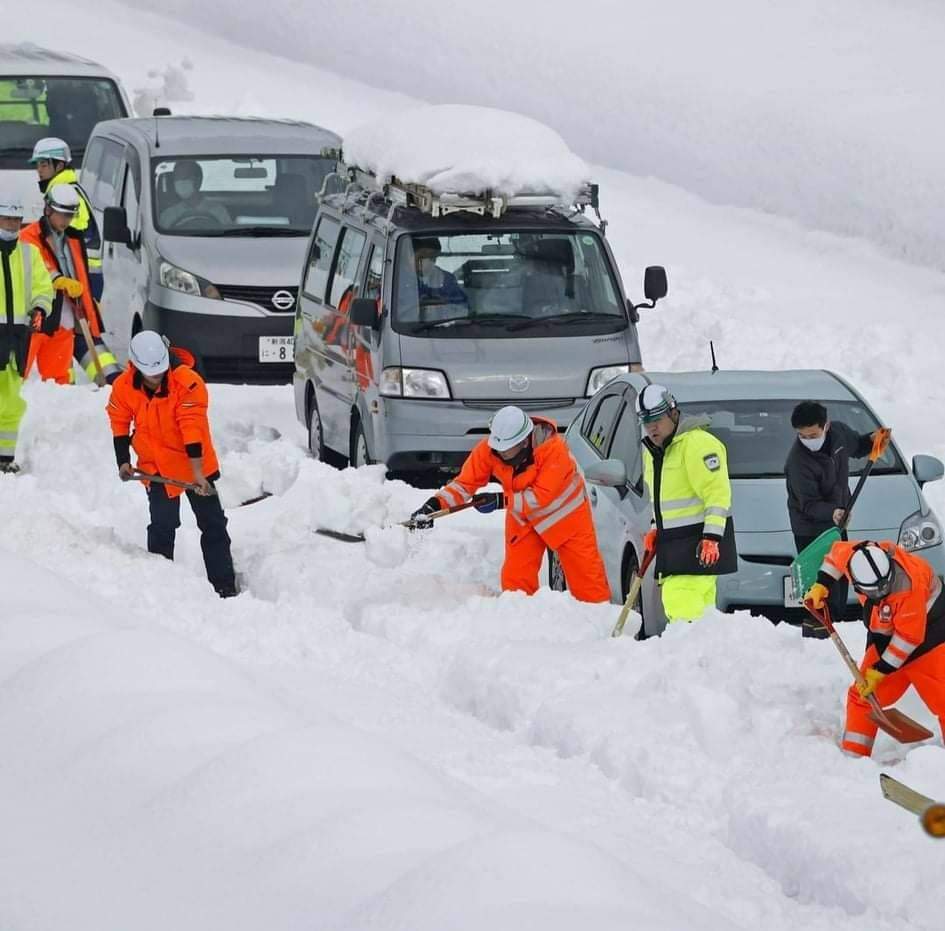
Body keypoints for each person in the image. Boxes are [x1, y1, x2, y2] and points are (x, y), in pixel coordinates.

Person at [411, 405, 610, 603]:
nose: (499, 454)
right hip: (523, 518)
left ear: (524, 442)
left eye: (506, 451)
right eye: (497, 449)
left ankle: (601, 625)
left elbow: (541, 498)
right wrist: (434, 505)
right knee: (516, 585)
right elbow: (464, 484)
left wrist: (500, 501)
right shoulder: (491, 450)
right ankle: (521, 623)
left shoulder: (555, 451)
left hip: (567, 519)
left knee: (588, 584)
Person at [107, 330, 237, 598]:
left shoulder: (188, 383)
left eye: (160, 372)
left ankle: (224, 585)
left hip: (195, 465)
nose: (156, 378)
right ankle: (161, 585)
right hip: (157, 468)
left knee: (213, 525)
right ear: (135, 367)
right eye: (150, 374)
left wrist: (198, 474)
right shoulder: (124, 386)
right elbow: (119, 420)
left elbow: (192, 428)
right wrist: (123, 461)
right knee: (162, 526)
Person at [806, 540, 945, 757]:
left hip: (932, 637)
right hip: (886, 635)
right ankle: (855, 757)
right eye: (875, 592)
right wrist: (822, 584)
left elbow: (908, 638)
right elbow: (835, 555)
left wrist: (879, 671)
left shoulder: (908, 585)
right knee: (862, 695)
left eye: (885, 586)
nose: (883, 592)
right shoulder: (855, 557)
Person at [785, 401, 891, 637]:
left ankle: (835, 625)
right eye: (802, 436)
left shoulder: (840, 434)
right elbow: (808, 505)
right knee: (819, 581)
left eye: (812, 434)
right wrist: (833, 512)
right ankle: (817, 631)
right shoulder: (798, 462)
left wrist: (873, 439)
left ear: (827, 426)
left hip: (837, 521)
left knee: (839, 578)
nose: (807, 440)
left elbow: (859, 447)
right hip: (810, 527)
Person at [639, 384, 737, 622]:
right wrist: (655, 527)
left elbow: (717, 493)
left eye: (657, 419)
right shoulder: (654, 452)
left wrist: (712, 538)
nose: (652, 427)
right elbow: (663, 499)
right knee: (700, 619)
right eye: (646, 421)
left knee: (680, 609)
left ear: (673, 413)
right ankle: (703, 657)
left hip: (697, 547)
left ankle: (690, 657)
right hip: (674, 546)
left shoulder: (697, 444)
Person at [19, 184, 121, 385]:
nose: (66, 220)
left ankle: (61, 404)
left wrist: (88, 301)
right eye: (62, 214)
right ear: (48, 210)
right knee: (18, 372)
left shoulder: (74, 238)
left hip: (65, 314)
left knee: (60, 377)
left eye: (70, 215)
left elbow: (81, 273)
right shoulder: (30, 235)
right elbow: (35, 264)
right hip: (35, 314)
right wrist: (58, 279)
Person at [0, 195, 54, 472]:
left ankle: (4, 458)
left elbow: (44, 288)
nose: (12, 225)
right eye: (7, 218)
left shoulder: (28, 253)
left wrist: (39, 309)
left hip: (16, 339)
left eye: (16, 220)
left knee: (10, 400)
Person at [29, 137, 102, 299]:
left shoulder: (66, 195)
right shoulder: (66, 190)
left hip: (80, 276)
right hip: (79, 274)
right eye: (37, 165)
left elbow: (66, 242)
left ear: (60, 166)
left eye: (44, 164)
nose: (39, 170)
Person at [159, 160, 231, 229]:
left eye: (185, 177)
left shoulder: (218, 211)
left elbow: (227, 239)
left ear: (198, 180)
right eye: (177, 179)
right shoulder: (168, 215)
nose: (180, 182)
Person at [413, 237, 467, 307]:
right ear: (409, 255)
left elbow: (462, 305)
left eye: (433, 258)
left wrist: (446, 302)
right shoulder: (397, 277)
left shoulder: (447, 279)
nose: (427, 262)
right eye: (422, 257)